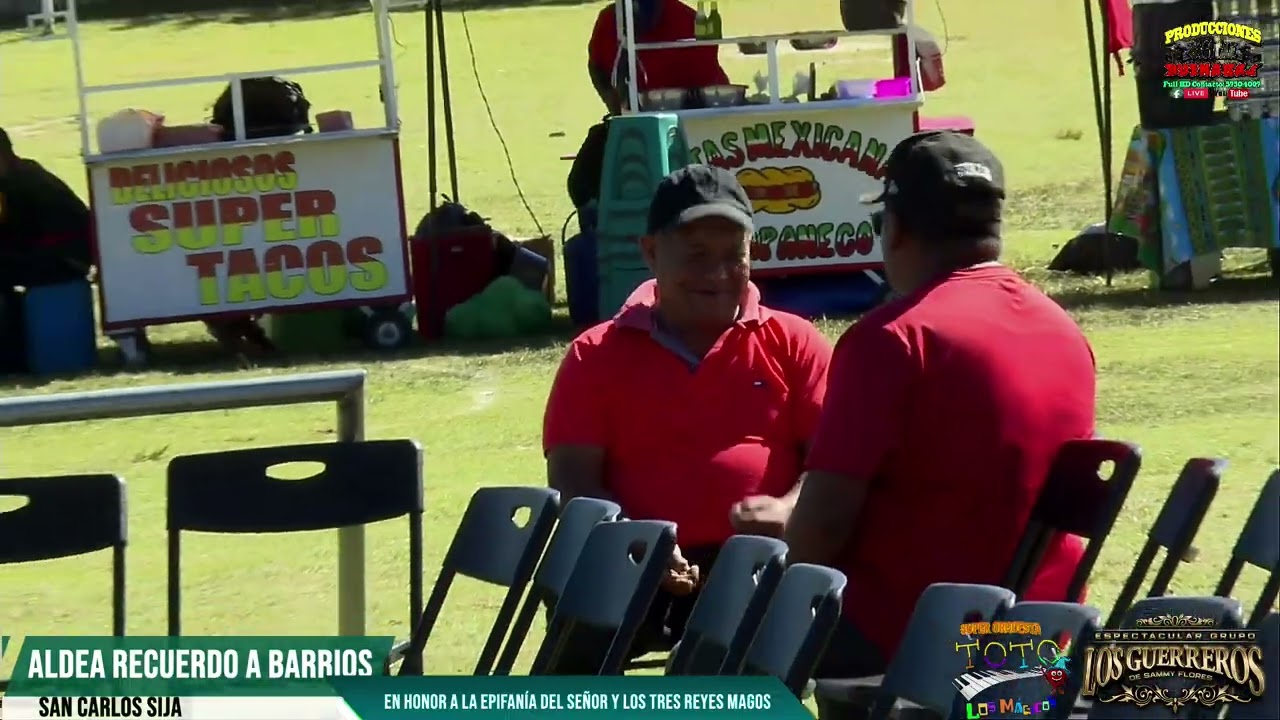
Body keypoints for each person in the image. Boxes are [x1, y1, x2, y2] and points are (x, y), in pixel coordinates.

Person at [786, 131, 1096, 678]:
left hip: (918, 637)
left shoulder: (894, 338)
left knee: (740, 619)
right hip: (1045, 634)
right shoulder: (1064, 331)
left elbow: (825, 521)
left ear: (896, 227)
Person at [543, 164, 832, 671]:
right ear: (650, 251)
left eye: (732, 257)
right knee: (577, 614)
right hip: (629, 561)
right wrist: (639, 541)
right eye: (697, 256)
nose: (718, 274)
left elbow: (833, 465)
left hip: (762, 563)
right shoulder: (596, 353)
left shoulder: (794, 342)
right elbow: (574, 481)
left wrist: (791, 508)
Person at [587, 0, 729, 116]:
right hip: (633, 116)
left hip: (689, 117)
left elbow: (707, 90)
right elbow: (596, 66)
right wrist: (612, 101)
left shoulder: (688, 23)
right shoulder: (608, 21)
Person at [0, 127, 93, 289]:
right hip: (55, 255)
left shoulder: (24, 182)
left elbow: (14, 234)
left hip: (66, 260)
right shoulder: (19, 175)